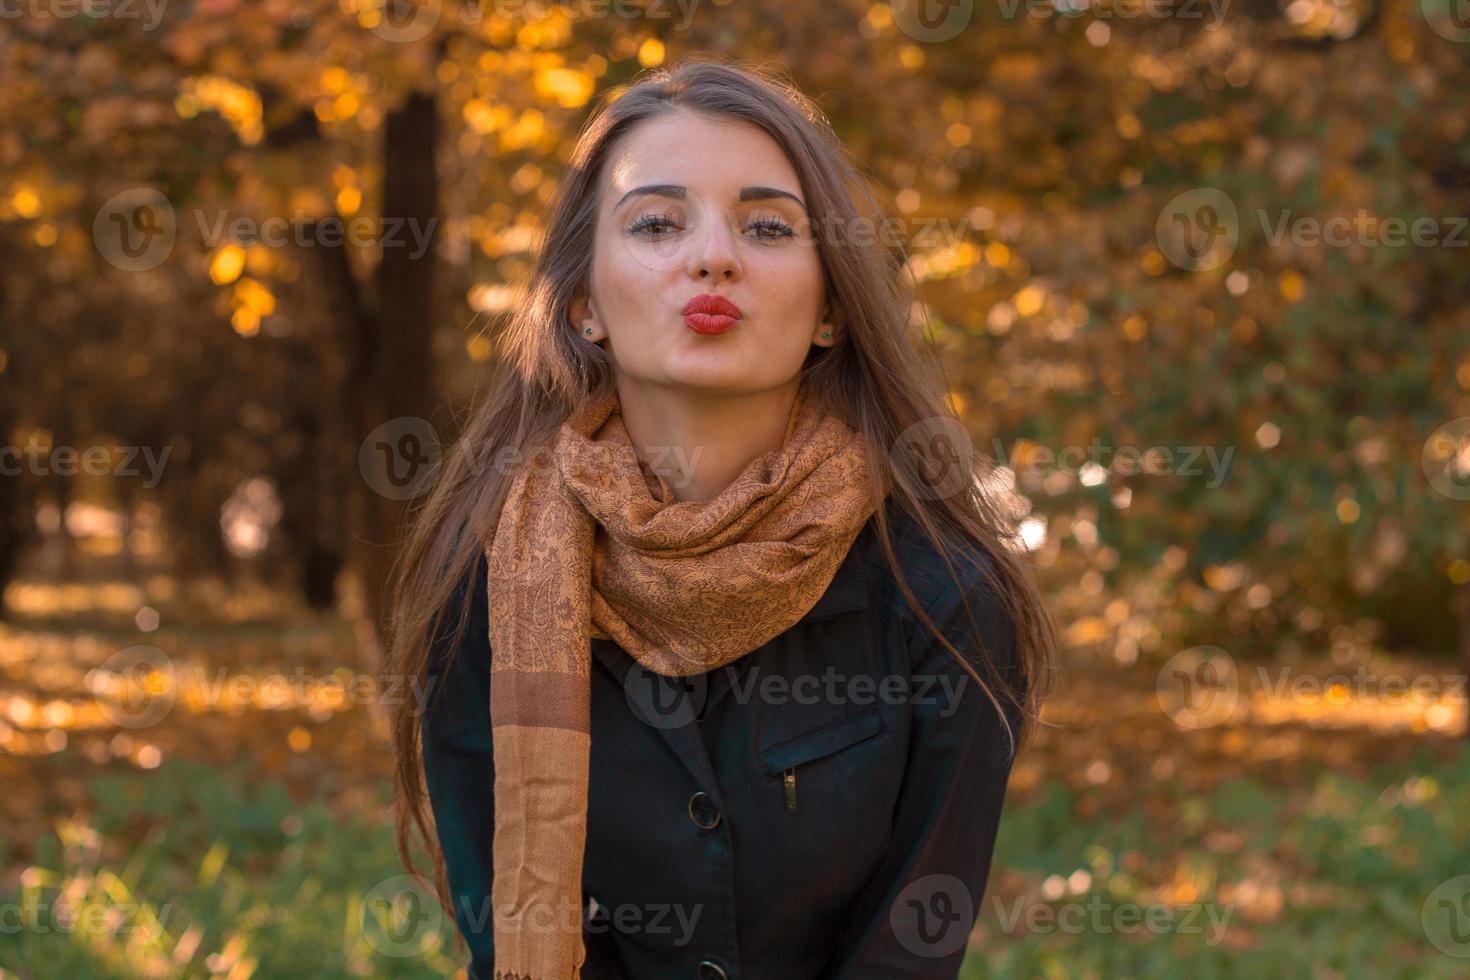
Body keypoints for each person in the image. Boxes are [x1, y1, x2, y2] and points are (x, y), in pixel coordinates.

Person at [382, 55, 1058, 980]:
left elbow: (908, 954)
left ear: (831, 310)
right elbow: (505, 938)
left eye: (768, 226)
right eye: (657, 222)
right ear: (583, 305)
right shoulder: (489, 582)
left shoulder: (943, 597)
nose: (713, 255)